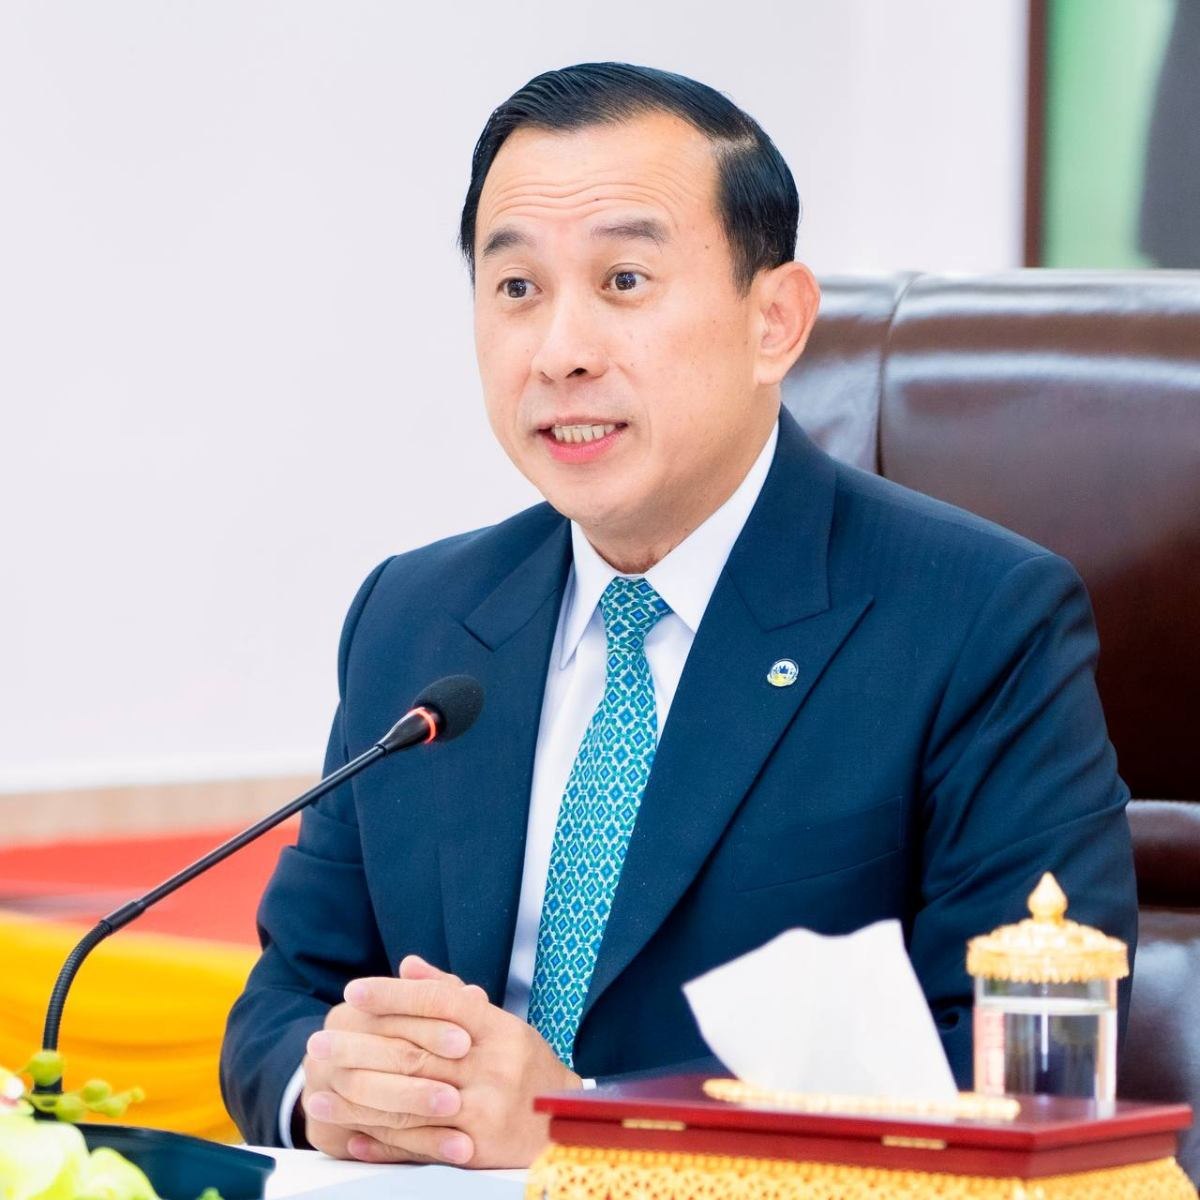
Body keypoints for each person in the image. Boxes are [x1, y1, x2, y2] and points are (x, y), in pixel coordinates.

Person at [220, 62, 1138, 1169]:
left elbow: (1016, 1085)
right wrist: (328, 1088)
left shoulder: (977, 623)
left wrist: (594, 1127)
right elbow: (289, 999)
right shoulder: (416, 618)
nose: (559, 351)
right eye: (516, 288)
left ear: (775, 322)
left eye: (624, 280)